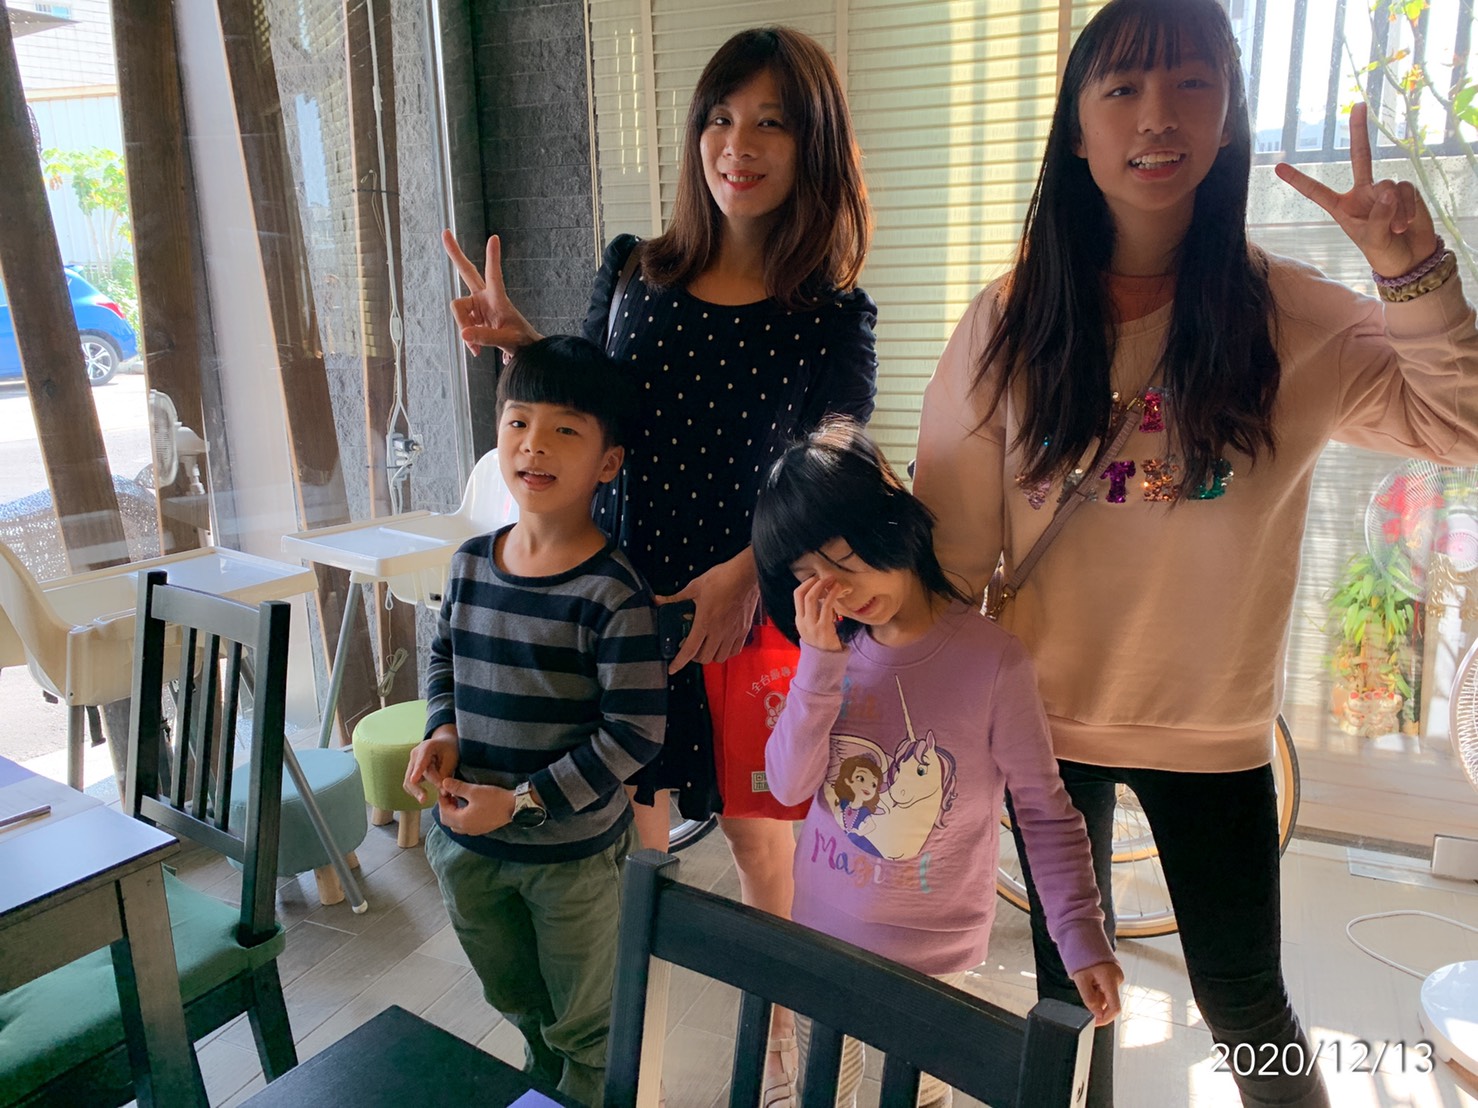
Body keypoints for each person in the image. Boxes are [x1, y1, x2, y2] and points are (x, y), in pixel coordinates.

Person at [910, 0, 1478, 1103]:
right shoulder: (1010, 321)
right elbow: (952, 550)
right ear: (1077, 130)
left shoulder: (1293, 318)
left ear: (1227, 119)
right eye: (1121, 88)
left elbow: (1455, 423)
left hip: (1213, 732)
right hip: (1041, 724)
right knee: (1067, 999)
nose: (1156, 115)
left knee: (1243, 1002)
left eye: (1191, 84)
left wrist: (1411, 275)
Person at [441, 26, 877, 1104]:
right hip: (615, 604)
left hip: (747, 612)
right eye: (720, 118)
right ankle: (618, 1051)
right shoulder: (635, 267)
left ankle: (781, 1045)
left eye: (771, 122)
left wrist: (744, 574)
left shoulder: (831, 314)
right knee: (628, 840)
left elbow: (835, 470)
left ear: (813, 144)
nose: (738, 145)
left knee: (761, 844)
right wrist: (522, 344)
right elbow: (597, 410)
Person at [753, 420, 1123, 1108]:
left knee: (920, 1097)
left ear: (890, 525)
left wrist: (1080, 933)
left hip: (933, 951)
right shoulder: (829, 654)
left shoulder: (993, 662)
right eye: (811, 580)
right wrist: (817, 668)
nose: (841, 591)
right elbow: (789, 785)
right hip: (823, 930)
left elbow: (1043, 812)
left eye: (847, 558)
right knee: (822, 1091)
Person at [402, 336, 666, 1105]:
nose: (534, 444)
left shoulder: (613, 593)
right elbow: (444, 659)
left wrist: (520, 803)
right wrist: (442, 731)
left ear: (608, 463)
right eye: (519, 422)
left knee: (589, 1027)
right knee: (518, 1002)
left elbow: (635, 734)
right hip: (468, 848)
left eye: (564, 429)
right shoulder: (469, 563)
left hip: (572, 861)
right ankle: (542, 1084)